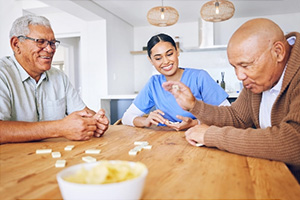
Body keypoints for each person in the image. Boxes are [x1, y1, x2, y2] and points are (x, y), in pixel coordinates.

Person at [162, 18, 300, 183]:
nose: (240, 76)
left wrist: (212, 135)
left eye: (246, 65)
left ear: (278, 52)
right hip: (275, 174)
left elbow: (294, 140)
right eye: (235, 67)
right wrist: (194, 105)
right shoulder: (258, 82)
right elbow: (237, 117)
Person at [0, 15, 109, 144]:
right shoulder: (3, 75)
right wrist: (59, 128)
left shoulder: (59, 76)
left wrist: (95, 121)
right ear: (16, 44)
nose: (50, 49)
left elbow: (82, 112)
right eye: (40, 41)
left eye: (52, 43)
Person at [122, 33, 229, 131]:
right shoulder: (153, 83)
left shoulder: (199, 77)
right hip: (165, 140)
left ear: (177, 51)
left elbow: (228, 115)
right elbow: (126, 117)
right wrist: (145, 121)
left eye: (169, 54)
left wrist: (194, 123)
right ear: (151, 60)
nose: (166, 61)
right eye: (158, 58)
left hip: (198, 136)